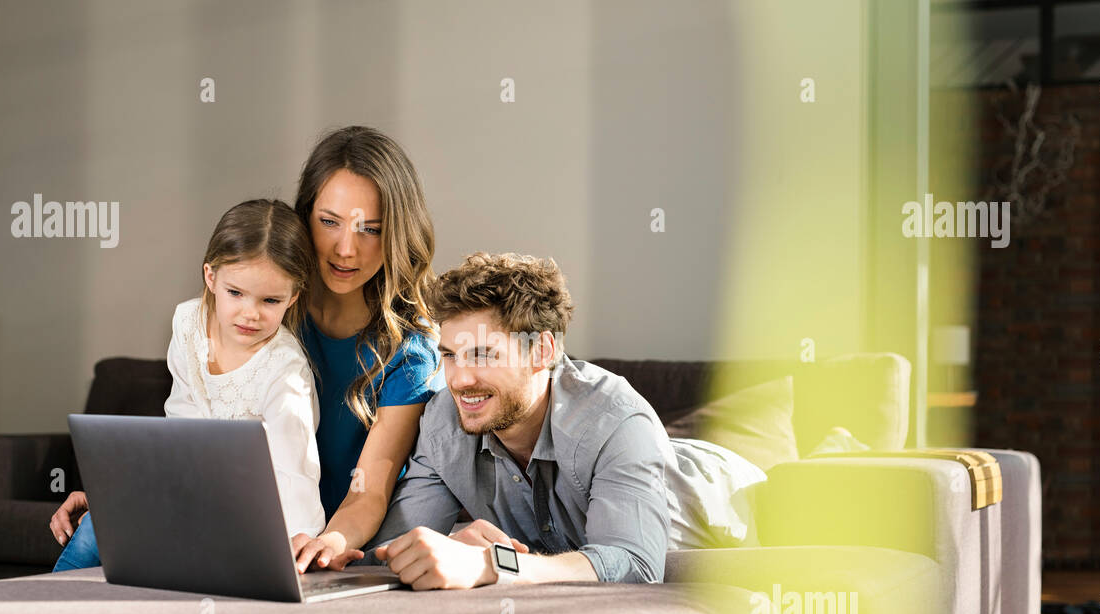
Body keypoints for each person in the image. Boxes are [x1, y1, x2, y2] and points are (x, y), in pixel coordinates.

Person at [49, 126, 443, 571]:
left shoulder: (409, 351)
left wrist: (327, 542)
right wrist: (123, 493)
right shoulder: (260, 308)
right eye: (329, 222)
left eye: (370, 229)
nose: (345, 249)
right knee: (101, 529)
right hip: (229, 513)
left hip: (323, 537)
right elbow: (198, 437)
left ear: (395, 233)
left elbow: (369, 491)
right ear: (304, 216)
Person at [327, 252, 763, 589]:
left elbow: (634, 564)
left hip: (741, 498)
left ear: (543, 352)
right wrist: (321, 554)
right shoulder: (444, 418)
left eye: (483, 354)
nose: (460, 379)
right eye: (450, 356)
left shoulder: (615, 419)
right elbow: (390, 552)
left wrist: (492, 564)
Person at [49, 198, 325, 570]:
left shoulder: (284, 372)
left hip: (249, 520)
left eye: (271, 300)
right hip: (190, 495)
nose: (250, 313)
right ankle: (51, 611)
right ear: (211, 277)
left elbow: (295, 476)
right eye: (236, 293)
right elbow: (180, 426)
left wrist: (293, 548)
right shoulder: (188, 324)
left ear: (293, 296)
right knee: (98, 525)